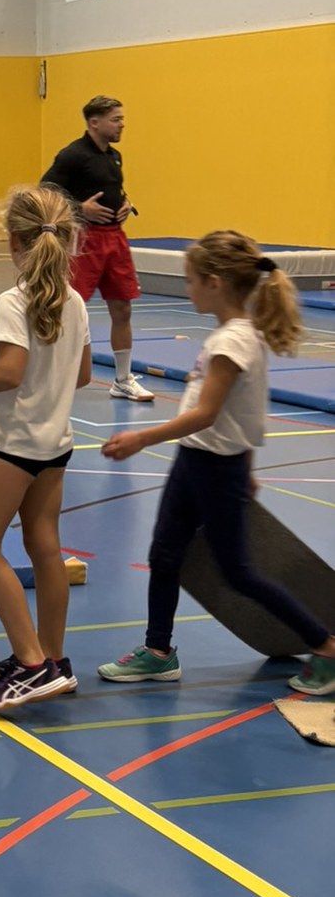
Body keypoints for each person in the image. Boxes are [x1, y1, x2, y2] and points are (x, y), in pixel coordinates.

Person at [98, 230, 335, 696]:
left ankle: (325, 646)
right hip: (195, 462)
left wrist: (141, 437)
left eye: (190, 281)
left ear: (215, 283)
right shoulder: (233, 335)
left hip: (214, 470)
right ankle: (158, 652)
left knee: (238, 572)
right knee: (164, 556)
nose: (187, 289)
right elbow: (244, 409)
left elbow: (206, 413)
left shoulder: (234, 342)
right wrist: (248, 462)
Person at [0, 187, 91, 711]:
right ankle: (53, 658)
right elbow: (84, 374)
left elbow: (9, 372)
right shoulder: (74, 300)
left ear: (13, 241)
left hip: (16, 448)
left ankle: (31, 664)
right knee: (44, 546)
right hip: (56, 443)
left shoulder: (15, 300)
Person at [40, 94, 155, 402]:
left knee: (123, 308)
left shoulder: (114, 156)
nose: (122, 125)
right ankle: (54, 373)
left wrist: (126, 203)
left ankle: (123, 380)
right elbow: (44, 192)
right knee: (67, 307)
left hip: (114, 239)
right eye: (116, 119)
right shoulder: (72, 155)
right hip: (84, 240)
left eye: (122, 119)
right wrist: (80, 208)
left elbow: (113, 189)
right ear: (94, 122)